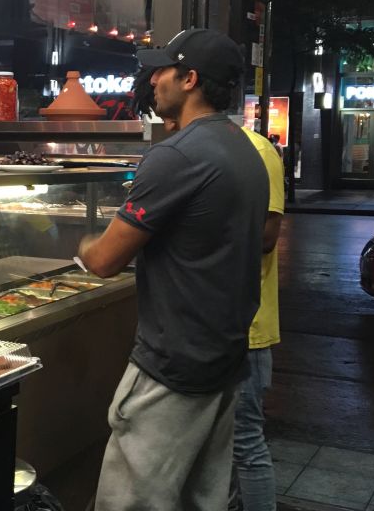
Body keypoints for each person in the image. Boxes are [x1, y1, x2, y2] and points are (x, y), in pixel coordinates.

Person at [78, 29, 269, 511]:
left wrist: (78, 242)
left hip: (172, 370)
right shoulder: (245, 150)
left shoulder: (177, 156)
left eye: (162, 69)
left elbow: (103, 261)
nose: (153, 78)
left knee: (132, 503)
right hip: (222, 361)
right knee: (198, 501)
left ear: (190, 79)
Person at [230, 126, 285, 511]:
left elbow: (267, 234)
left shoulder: (258, 151)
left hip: (246, 328)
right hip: (210, 325)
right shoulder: (193, 147)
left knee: (246, 442)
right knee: (224, 445)